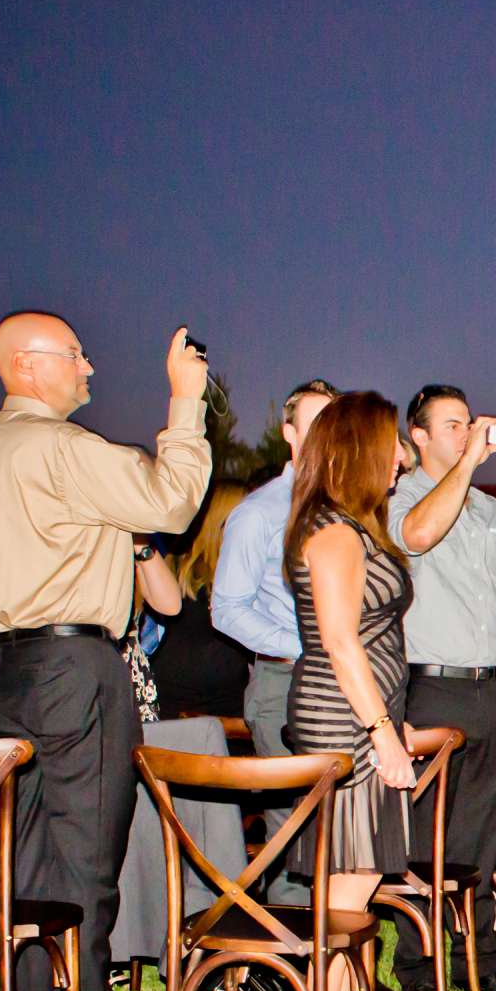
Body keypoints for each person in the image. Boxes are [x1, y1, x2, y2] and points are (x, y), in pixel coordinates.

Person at [0, 315, 211, 991]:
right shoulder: (61, 446)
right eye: (76, 355)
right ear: (29, 367)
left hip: (6, 670)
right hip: (76, 665)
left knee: (27, 864)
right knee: (86, 860)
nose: (90, 367)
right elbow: (171, 504)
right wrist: (184, 404)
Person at [388, 384, 496, 991]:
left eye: (470, 424)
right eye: (452, 425)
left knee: (482, 836)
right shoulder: (401, 499)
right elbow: (419, 537)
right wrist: (465, 466)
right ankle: (417, 967)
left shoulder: (495, 515)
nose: (466, 434)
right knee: (425, 834)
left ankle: (478, 961)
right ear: (419, 437)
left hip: (492, 688)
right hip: (431, 687)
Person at [285, 392, 416, 991]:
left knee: (354, 882)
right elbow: (339, 643)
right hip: (342, 721)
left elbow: (374, 636)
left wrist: (395, 716)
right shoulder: (334, 533)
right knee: (344, 885)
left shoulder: (356, 527)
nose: (403, 456)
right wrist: (381, 731)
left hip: (365, 715)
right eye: (394, 443)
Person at [214, 380, 340, 896]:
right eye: (316, 425)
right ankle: (289, 963)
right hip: (284, 682)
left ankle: (334, 953)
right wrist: (308, 646)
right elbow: (226, 610)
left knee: (343, 825)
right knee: (293, 830)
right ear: (290, 433)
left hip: (344, 683)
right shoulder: (260, 513)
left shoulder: (355, 508)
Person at [144, 482, 255, 719]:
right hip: (214, 737)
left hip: (174, 731)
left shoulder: (170, 582)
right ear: (223, 528)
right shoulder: (215, 597)